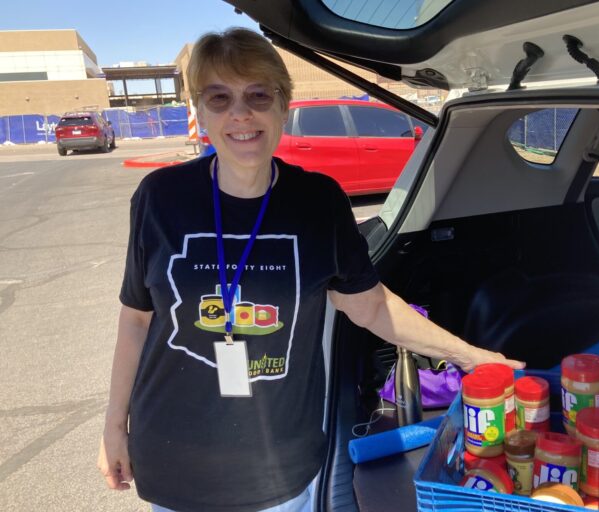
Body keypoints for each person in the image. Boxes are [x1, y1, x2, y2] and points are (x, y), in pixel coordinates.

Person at [97, 27, 524, 512]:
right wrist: (114, 427)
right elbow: (136, 318)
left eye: (259, 95)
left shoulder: (318, 202)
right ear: (199, 110)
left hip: (280, 468)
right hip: (176, 459)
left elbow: (372, 306)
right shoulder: (160, 198)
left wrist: (471, 356)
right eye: (219, 98)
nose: (240, 113)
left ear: (283, 105)